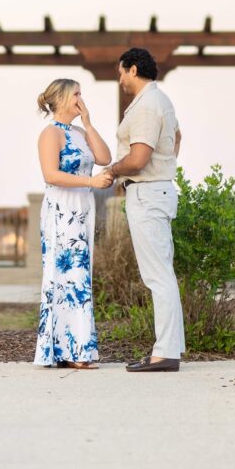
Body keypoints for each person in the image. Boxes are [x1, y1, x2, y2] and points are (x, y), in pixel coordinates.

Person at [102, 48, 185, 372]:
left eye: (121, 72)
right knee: (162, 274)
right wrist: (166, 166)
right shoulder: (158, 101)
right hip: (155, 190)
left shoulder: (148, 105)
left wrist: (113, 170)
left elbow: (138, 159)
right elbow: (177, 137)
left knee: (157, 276)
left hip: (148, 194)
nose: (120, 78)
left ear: (133, 69)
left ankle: (164, 353)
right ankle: (169, 349)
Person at [34, 78, 113, 369]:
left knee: (81, 276)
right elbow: (50, 174)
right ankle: (69, 351)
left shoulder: (79, 132)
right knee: (67, 277)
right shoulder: (50, 134)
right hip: (61, 210)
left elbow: (105, 157)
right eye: (77, 94)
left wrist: (89, 123)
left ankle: (77, 350)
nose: (81, 98)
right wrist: (90, 181)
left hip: (82, 209)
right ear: (63, 98)